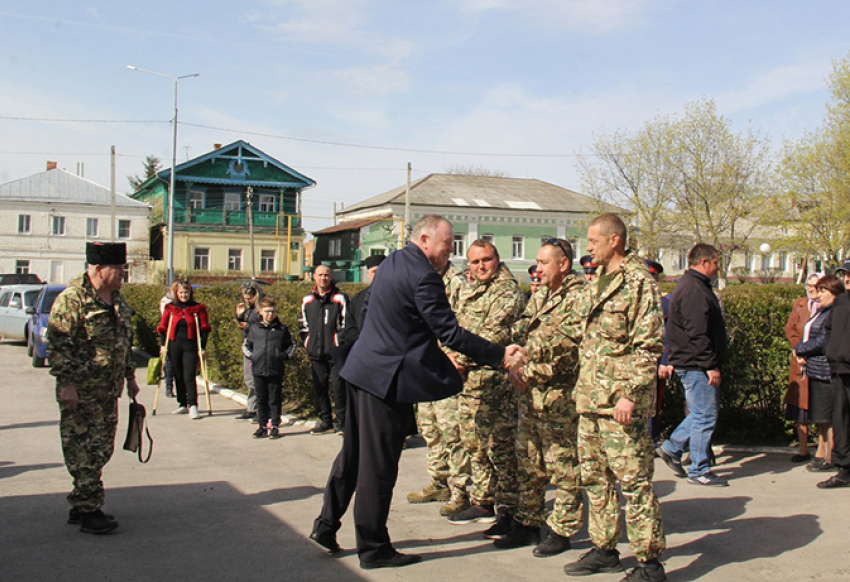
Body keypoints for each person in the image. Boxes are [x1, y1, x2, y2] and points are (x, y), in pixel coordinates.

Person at [310, 215, 527, 570]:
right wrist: (500, 355)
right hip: (384, 382)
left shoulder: (395, 260)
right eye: (447, 244)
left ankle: (325, 526)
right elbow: (449, 332)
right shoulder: (424, 275)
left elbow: (407, 327)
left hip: (362, 371)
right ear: (425, 240)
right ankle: (373, 547)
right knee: (377, 468)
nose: (450, 253)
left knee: (352, 457)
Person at [564, 213, 666, 582]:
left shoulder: (639, 282)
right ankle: (605, 549)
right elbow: (576, 331)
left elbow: (649, 344)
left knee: (634, 483)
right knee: (595, 479)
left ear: (614, 241)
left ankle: (649, 564)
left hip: (621, 405)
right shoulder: (596, 282)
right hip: (590, 400)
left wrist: (630, 394)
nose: (588, 247)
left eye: (593, 240)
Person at [494, 238, 584, 557]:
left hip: (560, 397)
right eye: (537, 262)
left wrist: (525, 368)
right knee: (529, 458)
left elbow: (566, 346)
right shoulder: (543, 294)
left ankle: (562, 529)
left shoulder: (578, 296)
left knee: (563, 464)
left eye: (544, 262)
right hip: (532, 395)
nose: (538, 268)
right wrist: (512, 354)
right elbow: (524, 327)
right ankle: (529, 521)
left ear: (563, 264)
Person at [48, 242, 140, 534]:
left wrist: (130, 377)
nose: (124, 274)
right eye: (120, 269)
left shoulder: (117, 300)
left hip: (108, 390)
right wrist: (67, 386)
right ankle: (89, 510)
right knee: (83, 448)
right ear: (99, 269)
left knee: (101, 448)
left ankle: (81, 502)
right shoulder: (72, 300)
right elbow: (59, 347)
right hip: (81, 391)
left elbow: (124, 342)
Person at [443, 240, 524, 530]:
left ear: (497, 259)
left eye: (486, 260)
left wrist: (458, 358)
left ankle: (509, 510)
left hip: (495, 382)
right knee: (474, 444)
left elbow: (494, 333)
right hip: (469, 382)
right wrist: (448, 355)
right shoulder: (470, 290)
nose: (480, 266)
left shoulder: (506, 291)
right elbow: (453, 328)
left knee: (500, 448)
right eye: (475, 262)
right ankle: (483, 499)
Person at [656, 244, 728, 488]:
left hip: (694, 362)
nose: (718, 268)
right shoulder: (695, 290)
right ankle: (699, 469)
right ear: (704, 262)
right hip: (697, 364)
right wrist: (710, 365)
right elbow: (697, 333)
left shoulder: (693, 286)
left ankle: (672, 447)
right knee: (705, 416)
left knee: (701, 413)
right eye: (716, 262)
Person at [407, 261, 469, 512]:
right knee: (430, 428)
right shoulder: (421, 277)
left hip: (447, 365)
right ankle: (438, 480)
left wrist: (456, 357)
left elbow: (462, 324)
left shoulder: (456, 282)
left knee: (451, 431)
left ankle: (460, 491)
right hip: (426, 364)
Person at [795, 275, 844, 472]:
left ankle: (832, 457)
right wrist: (801, 348)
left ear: (834, 293)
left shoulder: (834, 312)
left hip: (826, 370)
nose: (819, 294)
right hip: (815, 370)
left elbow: (823, 340)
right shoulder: (822, 311)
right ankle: (823, 453)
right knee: (821, 417)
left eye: (823, 290)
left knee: (829, 417)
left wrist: (800, 349)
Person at [299, 265, 349, 434]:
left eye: (326, 275)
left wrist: (337, 343)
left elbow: (346, 325)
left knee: (339, 389)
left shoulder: (340, 298)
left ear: (331, 277)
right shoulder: (307, 300)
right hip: (316, 353)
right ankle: (326, 420)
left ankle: (342, 423)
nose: (323, 278)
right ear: (314, 277)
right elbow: (303, 325)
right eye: (320, 275)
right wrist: (308, 343)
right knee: (320, 389)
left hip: (335, 354)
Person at [157, 280, 211, 420]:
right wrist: (163, 345)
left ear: (190, 293)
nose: (183, 295)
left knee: (189, 376)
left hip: (191, 346)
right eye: (181, 292)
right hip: (174, 345)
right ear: (176, 293)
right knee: (178, 374)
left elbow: (204, 329)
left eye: (186, 292)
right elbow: (163, 328)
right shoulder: (170, 308)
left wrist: (203, 347)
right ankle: (182, 403)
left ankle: (193, 405)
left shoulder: (198, 308)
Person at [243, 296, 295, 440]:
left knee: (274, 399)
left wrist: (283, 356)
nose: (269, 315)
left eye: (272, 312)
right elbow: (246, 345)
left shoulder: (281, 329)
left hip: (275, 369)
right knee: (261, 398)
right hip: (259, 369)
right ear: (260, 312)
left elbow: (291, 345)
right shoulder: (254, 329)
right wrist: (252, 356)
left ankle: (275, 426)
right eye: (266, 311)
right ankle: (262, 426)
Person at [784, 274, 821, 462]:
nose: (811, 289)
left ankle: (824, 452)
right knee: (800, 408)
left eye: (815, 285)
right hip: (800, 363)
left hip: (820, 362)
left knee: (822, 409)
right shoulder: (799, 304)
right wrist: (799, 350)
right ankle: (803, 449)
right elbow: (790, 329)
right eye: (809, 285)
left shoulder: (827, 306)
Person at [819, 274, 850, 489]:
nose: (847, 278)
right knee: (841, 419)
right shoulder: (841, 301)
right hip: (839, 369)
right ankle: (844, 469)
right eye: (846, 274)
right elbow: (828, 329)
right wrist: (830, 351)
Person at [235, 281, 264, 421]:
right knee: (249, 379)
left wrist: (248, 325)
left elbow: (261, 326)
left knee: (256, 379)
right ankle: (251, 408)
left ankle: (260, 409)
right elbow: (246, 326)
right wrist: (239, 317)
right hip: (248, 345)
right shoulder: (249, 309)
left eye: (249, 297)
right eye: (245, 298)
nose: (247, 300)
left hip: (258, 346)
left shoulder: (261, 309)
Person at [159, 290, 176, 398]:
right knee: (169, 364)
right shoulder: (166, 302)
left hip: (182, 338)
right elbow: (163, 324)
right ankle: (169, 387)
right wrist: (163, 344)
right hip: (170, 335)